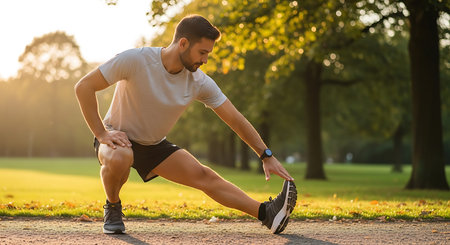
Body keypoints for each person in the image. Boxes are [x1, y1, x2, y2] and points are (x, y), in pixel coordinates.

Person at [74, 14, 297, 234]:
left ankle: (267, 213)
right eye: (202, 52)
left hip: (153, 145)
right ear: (183, 43)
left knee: (205, 176)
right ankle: (112, 207)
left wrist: (265, 155)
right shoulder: (136, 60)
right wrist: (102, 133)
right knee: (122, 156)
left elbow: (235, 119)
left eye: (208, 54)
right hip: (116, 137)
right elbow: (84, 87)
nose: (205, 60)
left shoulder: (199, 81)